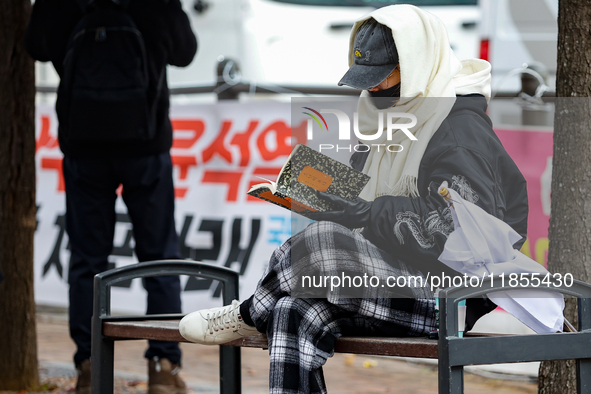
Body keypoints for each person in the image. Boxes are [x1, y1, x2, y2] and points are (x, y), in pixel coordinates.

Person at [180, 4, 528, 393]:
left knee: (323, 241)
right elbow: (371, 202)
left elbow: (464, 233)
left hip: (449, 295)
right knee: (292, 310)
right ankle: (263, 309)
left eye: (382, 76)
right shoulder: (386, 115)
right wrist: (334, 198)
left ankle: (246, 313)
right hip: (390, 272)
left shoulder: (460, 129)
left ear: (416, 64)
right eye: (367, 78)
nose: (374, 88)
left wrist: (365, 213)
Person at [25, 1, 197, 393]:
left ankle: (89, 367)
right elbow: (185, 52)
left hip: (83, 147)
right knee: (159, 256)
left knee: (88, 260)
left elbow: (35, 45)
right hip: (146, 145)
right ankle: (164, 367)